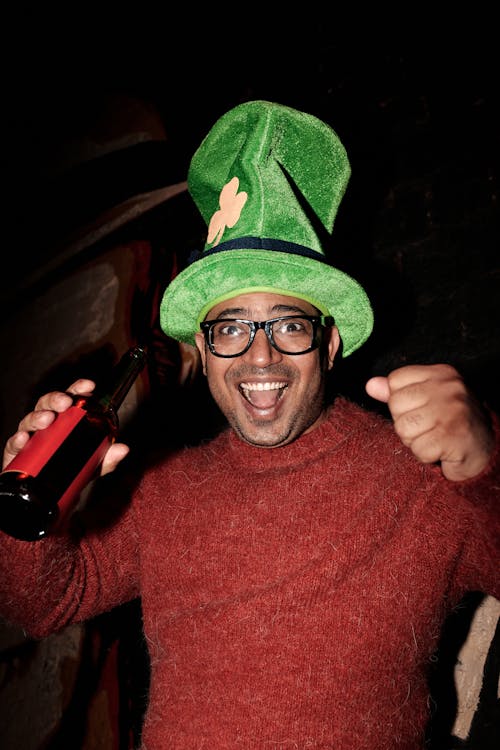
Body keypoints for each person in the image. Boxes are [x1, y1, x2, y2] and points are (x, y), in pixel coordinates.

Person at [0, 100, 498, 749]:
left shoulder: (422, 477)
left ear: (330, 343)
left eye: (289, 325)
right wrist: (28, 509)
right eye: (231, 328)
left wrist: (488, 461)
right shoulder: (162, 491)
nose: (260, 357)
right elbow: (44, 605)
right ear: (203, 352)